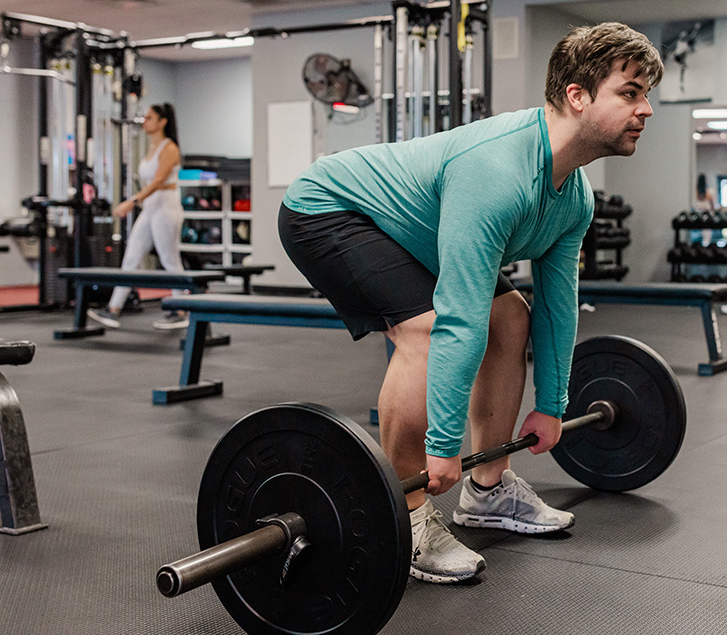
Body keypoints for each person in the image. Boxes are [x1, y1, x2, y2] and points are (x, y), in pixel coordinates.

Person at [279, 22, 662, 584]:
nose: (646, 109)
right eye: (630, 93)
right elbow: (458, 318)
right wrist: (442, 446)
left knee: (510, 316)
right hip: (329, 210)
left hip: (409, 230)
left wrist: (553, 406)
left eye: (645, 94)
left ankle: (489, 491)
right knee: (428, 330)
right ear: (578, 97)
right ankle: (407, 514)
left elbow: (558, 304)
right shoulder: (497, 172)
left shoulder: (573, 196)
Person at [87, 104, 189, 330]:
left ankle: (181, 310)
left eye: (150, 118)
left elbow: (158, 181)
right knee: (131, 257)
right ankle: (113, 310)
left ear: (163, 121)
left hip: (166, 206)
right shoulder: (151, 148)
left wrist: (132, 201)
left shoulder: (169, 148)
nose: (145, 122)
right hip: (151, 207)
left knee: (170, 260)